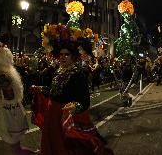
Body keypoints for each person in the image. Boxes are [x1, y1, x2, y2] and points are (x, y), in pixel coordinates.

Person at [31, 24, 113, 155]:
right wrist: (42, 89)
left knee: (64, 148)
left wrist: (75, 106)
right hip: (51, 116)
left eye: (67, 54)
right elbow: (55, 92)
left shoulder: (78, 75)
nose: (63, 57)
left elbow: (84, 100)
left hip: (63, 117)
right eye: (61, 54)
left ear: (73, 56)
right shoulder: (58, 71)